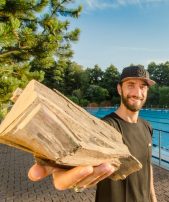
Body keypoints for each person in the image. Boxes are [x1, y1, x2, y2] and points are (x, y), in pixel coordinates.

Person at [28, 65, 157, 202]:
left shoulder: (147, 126)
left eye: (143, 87)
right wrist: (63, 174)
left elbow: (147, 165)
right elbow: (77, 159)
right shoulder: (105, 127)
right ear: (119, 89)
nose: (137, 92)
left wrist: (153, 198)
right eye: (131, 85)